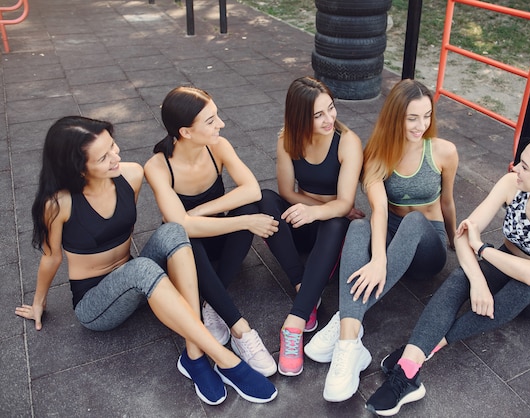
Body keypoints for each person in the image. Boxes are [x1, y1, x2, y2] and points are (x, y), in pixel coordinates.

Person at [15, 116, 277, 405]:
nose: (116, 156)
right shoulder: (58, 204)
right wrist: (39, 302)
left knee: (173, 230)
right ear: (78, 169)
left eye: (113, 146)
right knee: (141, 267)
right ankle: (225, 359)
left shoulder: (131, 175)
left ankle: (193, 354)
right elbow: (51, 258)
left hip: (139, 281)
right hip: (97, 303)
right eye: (103, 157)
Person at [365, 134, 530, 416]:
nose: (515, 169)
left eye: (525, 167)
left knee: (523, 287)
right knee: (461, 278)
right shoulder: (512, 185)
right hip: (503, 261)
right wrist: (477, 281)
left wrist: (482, 249)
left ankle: (420, 351)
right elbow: (463, 235)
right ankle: (409, 373)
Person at [304, 79, 459, 402]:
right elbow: (379, 211)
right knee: (358, 226)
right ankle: (349, 340)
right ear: (395, 117)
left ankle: (343, 316)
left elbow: (447, 202)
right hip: (389, 232)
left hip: (427, 245)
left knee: (415, 220)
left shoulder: (443, 152)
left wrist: (455, 239)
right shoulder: (376, 153)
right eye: (412, 118)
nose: (421, 125)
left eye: (427, 116)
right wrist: (378, 257)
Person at [144, 86, 279, 377]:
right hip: (190, 252)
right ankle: (240, 329)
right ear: (186, 132)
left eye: (216, 116)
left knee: (254, 205)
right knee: (183, 231)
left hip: (219, 239)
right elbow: (182, 225)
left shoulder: (217, 146)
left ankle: (213, 303)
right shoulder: (158, 167)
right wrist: (243, 223)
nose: (221, 124)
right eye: (210, 120)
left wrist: (201, 210)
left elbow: (251, 189)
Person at [258, 76, 364, 376]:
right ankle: (303, 285)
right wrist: (314, 208)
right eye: (319, 115)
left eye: (331, 109)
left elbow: (344, 203)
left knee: (335, 222)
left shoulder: (348, 143)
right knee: (265, 199)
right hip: (305, 218)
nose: (329, 118)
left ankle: (295, 322)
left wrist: (317, 212)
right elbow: (286, 192)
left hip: (329, 228)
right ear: (300, 116)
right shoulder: (287, 140)